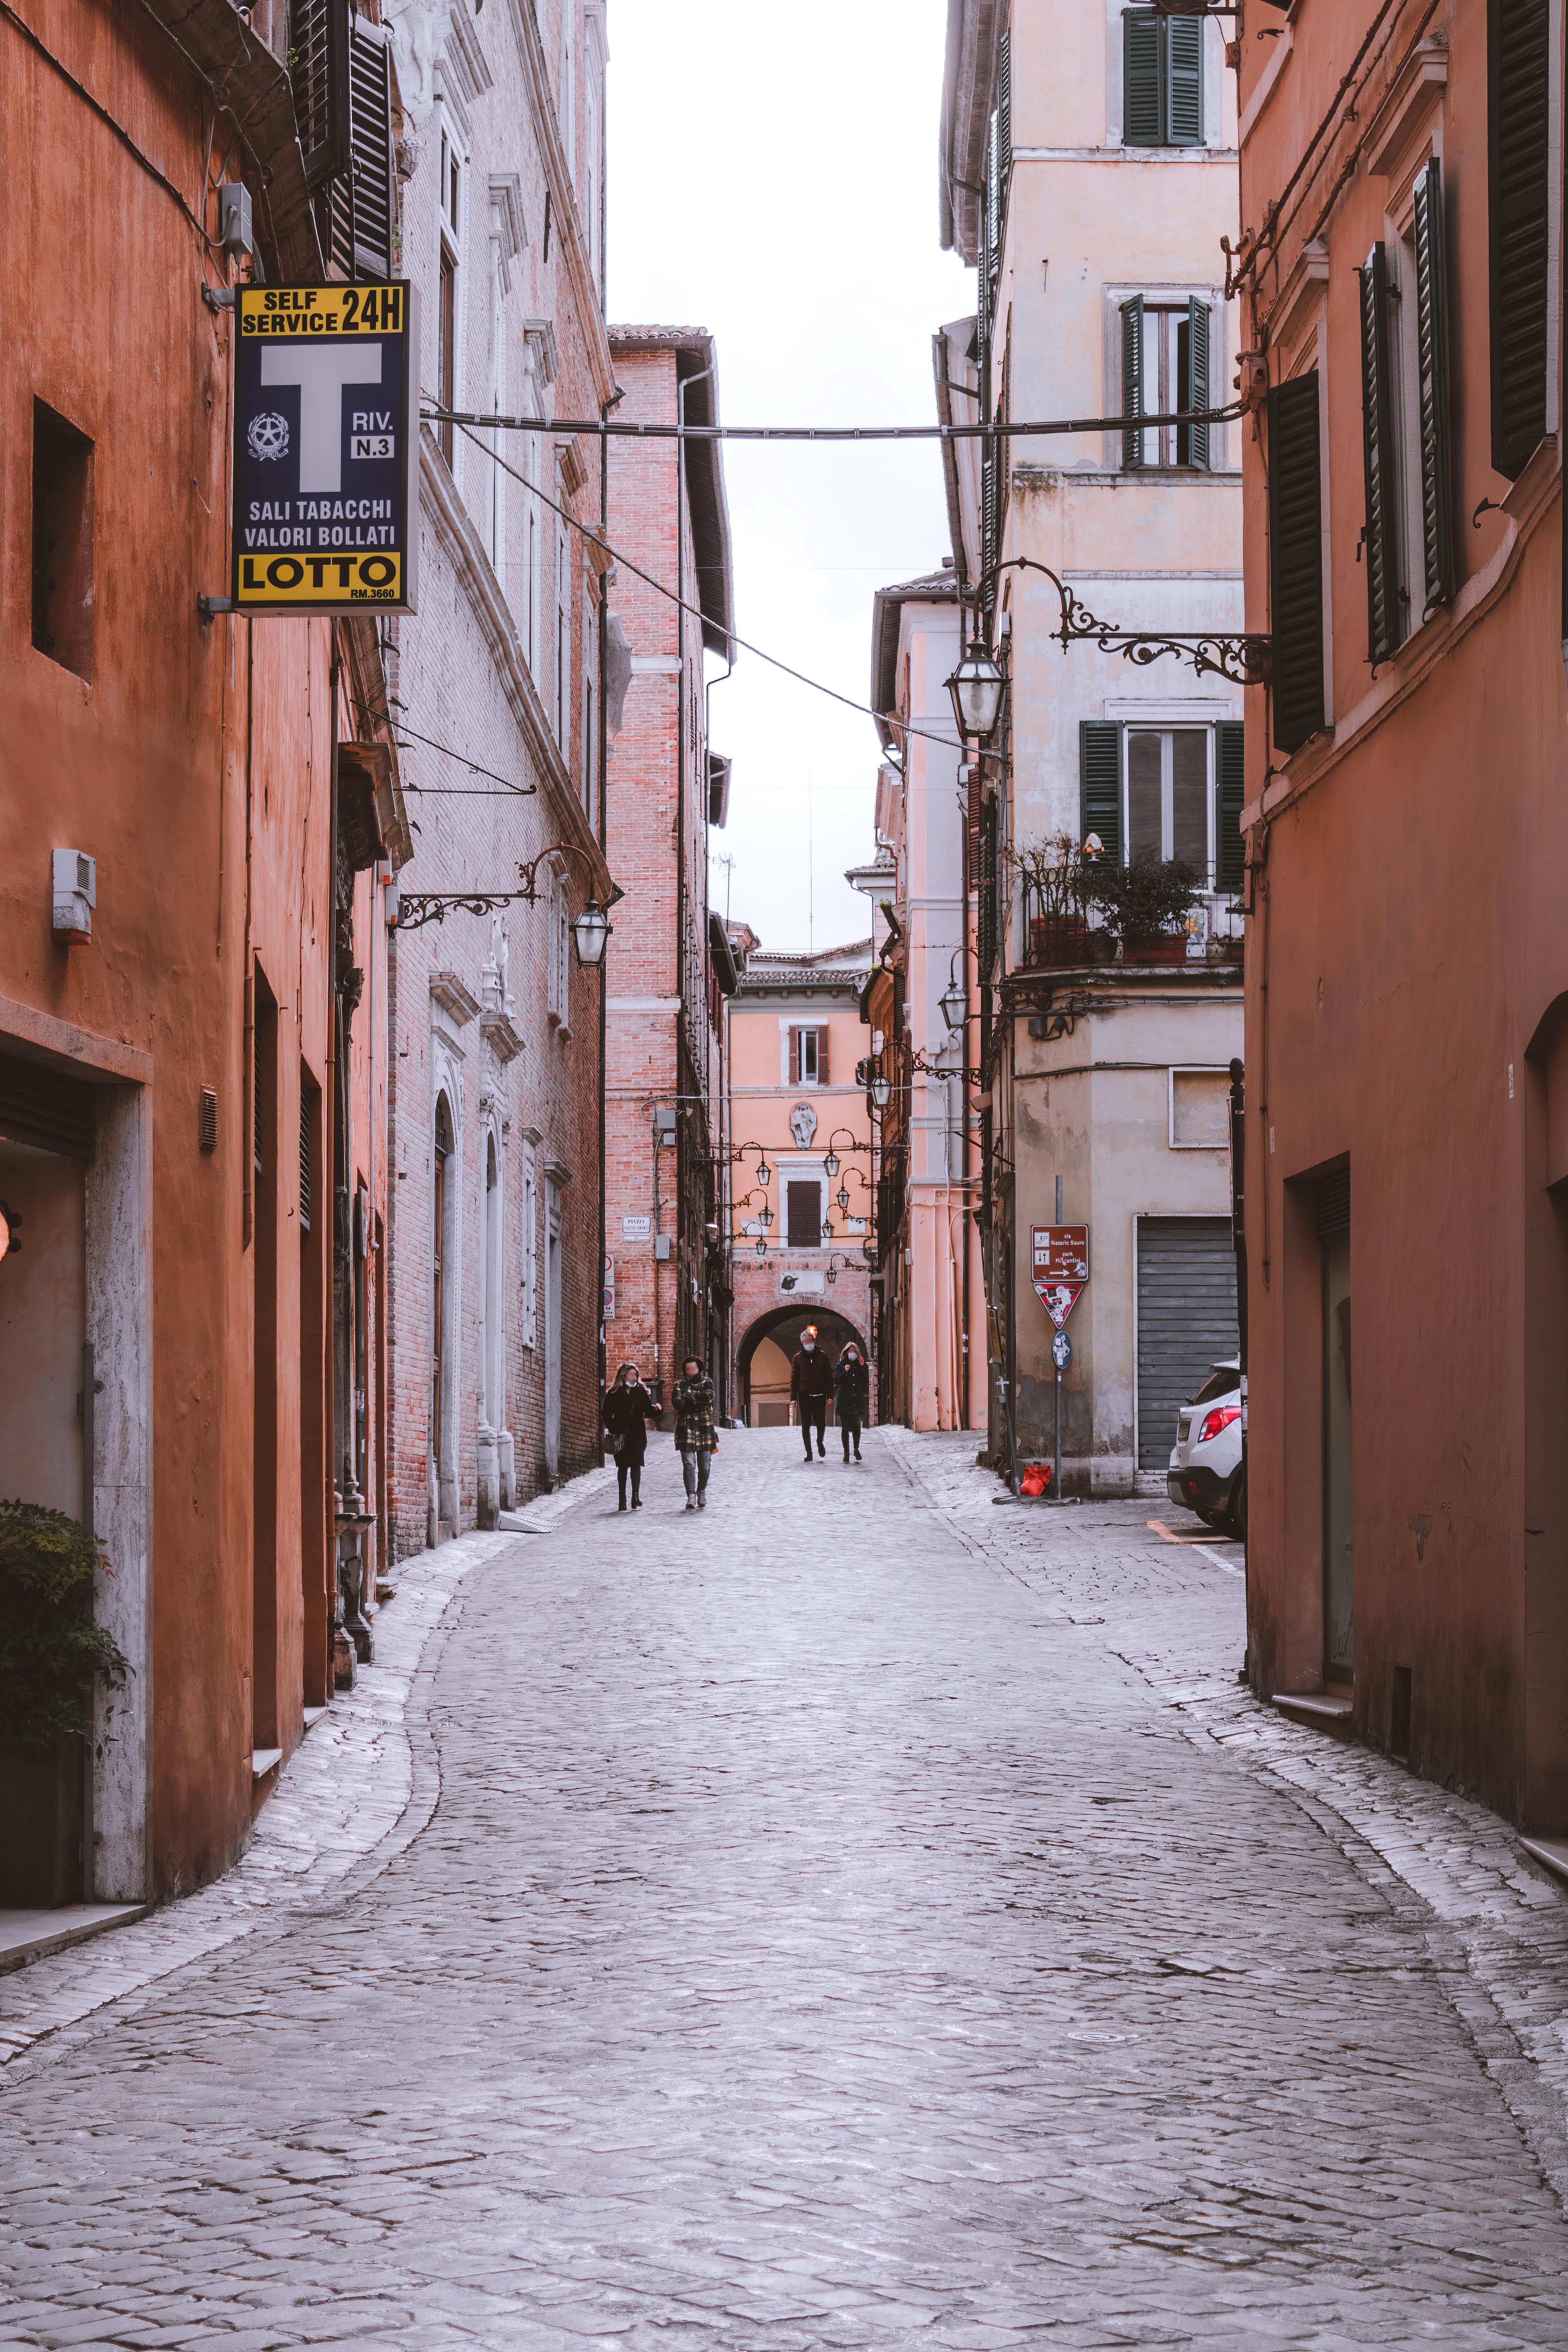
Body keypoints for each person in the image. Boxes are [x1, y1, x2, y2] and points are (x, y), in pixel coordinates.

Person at [604, 1363, 660, 1511]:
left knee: (636, 1465)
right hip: (621, 1435)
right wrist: (614, 1429)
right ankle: (622, 1499)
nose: (635, 1378)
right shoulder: (614, 1393)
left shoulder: (641, 1392)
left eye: (636, 1375)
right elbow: (606, 1414)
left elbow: (648, 1412)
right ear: (624, 1376)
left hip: (637, 1434)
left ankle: (636, 1497)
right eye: (632, 1375)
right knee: (622, 1467)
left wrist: (658, 1410)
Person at [671, 1356, 718, 1510]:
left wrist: (690, 1398)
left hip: (705, 1428)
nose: (691, 1372)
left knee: (705, 1466)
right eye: (688, 1369)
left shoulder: (707, 1382)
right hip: (686, 1428)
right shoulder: (679, 1385)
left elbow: (709, 1396)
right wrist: (696, 1399)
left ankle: (701, 1491)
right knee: (689, 1464)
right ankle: (691, 1495)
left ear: (699, 1369)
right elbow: (677, 1403)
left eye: (693, 1369)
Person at [790, 1324, 833, 1461]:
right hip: (805, 1395)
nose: (808, 1344)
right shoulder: (797, 1358)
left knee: (821, 1423)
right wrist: (793, 1398)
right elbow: (794, 1379)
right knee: (806, 1425)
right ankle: (809, 1453)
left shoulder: (823, 1357)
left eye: (810, 1342)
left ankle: (820, 1442)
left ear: (814, 1341)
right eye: (805, 1343)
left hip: (820, 1394)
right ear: (802, 1343)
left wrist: (830, 1395)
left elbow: (829, 1377)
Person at [834, 1342, 869, 1462]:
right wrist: (845, 1372)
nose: (852, 1354)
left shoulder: (860, 1365)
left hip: (856, 1399)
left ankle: (856, 1449)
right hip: (844, 1400)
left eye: (854, 1351)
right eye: (850, 1351)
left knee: (856, 1426)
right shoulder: (841, 1363)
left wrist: (863, 1367)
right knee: (845, 1428)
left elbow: (865, 1382)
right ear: (846, 1352)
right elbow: (837, 1380)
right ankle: (846, 1452)